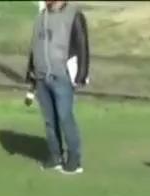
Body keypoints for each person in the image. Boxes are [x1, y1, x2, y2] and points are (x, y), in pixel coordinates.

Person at [25, 1, 91, 174]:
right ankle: (55, 156)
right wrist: (31, 74)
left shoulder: (73, 15)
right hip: (41, 77)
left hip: (62, 75)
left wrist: (81, 74)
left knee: (64, 117)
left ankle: (74, 160)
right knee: (49, 120)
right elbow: (34, 47)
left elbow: (82, 44)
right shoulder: (40, 18)